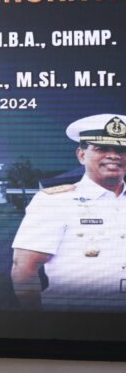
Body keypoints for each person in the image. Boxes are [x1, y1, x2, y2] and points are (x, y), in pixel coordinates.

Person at [11, 113, 126, 311]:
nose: (114, 155)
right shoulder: (55, 202)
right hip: (75, 319)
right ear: (81, 155)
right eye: (101, 148)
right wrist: (37, 322)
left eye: (121, 149)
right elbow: (24, 267)